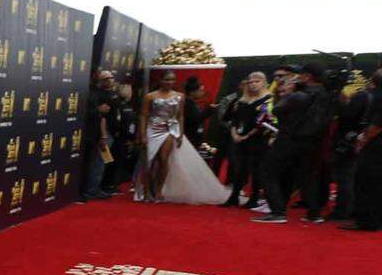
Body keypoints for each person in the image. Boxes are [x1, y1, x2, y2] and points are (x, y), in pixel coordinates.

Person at [136, 71, 229, 204]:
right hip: (153, 129)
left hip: (169, 130)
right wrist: (143, 134)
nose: (170, 82)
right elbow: (143, 115)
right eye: (167, 79)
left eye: (172, 80)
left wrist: (180, 133)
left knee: (163, 159)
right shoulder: (150, 96)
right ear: (161, 80)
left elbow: (180, 116)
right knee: (150, 161)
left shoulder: (179, 96)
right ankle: (146, 192)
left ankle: (158, 191)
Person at [254, 64, 330, 224]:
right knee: (306, 176)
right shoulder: (325, 94)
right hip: (312, 141)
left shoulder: (299, 95)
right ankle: (314, 213)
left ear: (307, 76)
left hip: (289, 138)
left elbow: (276, 110)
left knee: (268, 171)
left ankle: (277, 212)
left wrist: (286, 94)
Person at [223, 72, 272, 208]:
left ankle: (254, 198)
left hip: (257, 139)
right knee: (239, 168)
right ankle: (234, 196)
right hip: (239, 138)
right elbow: (232, 119)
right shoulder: (241, 101)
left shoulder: (267, 100)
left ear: (264, 82)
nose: (253, 84)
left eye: (257, 81)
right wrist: (235, 134)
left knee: (256, 169)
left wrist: (247, 135)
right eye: (250, 82)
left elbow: (263, 122)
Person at [344, 70, 382, 232]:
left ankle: (367, 221)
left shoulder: (379, 98)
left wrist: (363, 140)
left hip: (375, 147)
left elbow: (377, 125)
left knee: (367, 183)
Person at [328, 78, 372, 220]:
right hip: (365, 141)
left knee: (346, 177)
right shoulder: (369, 96)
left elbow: (347, 116)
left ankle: (344, 210)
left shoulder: (363, 96)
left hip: (353, 141)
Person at [82, 69, 117, 200]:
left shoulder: (112, 93)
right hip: (102, 133)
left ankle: (96, 187)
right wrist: (103, 135)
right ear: (99, 81)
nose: (109, 81)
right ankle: (91, 190)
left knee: (103, 162)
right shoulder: (97, 95)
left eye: (111, 78)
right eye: (105, 79)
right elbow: (101, 117)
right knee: (98, 163)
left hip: (111, 132)